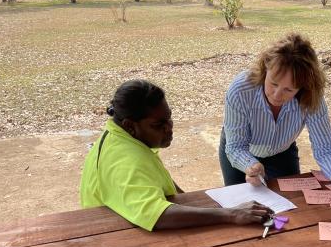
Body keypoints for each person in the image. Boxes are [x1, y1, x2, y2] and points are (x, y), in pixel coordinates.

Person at [80, 79, 273, 231]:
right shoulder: (124, 160)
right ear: (130, 126)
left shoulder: (121, 136)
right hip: (113, 235)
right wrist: (231, 214)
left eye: (169, 118)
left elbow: (152, 177)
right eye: (158, 125)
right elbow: (156, 215)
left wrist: (187, 197)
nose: (169, 128)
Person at [219, 32, 331, 207]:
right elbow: (235, 146)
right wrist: (250, 165)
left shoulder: (311, 96)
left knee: (290, 206)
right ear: (265, 68)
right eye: (273, 83)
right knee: (239, 209)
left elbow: (325, 147)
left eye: (289, 90)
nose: (277, 95)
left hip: (282, 151)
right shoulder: (241, 90)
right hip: (240, 151)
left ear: (303, 87)